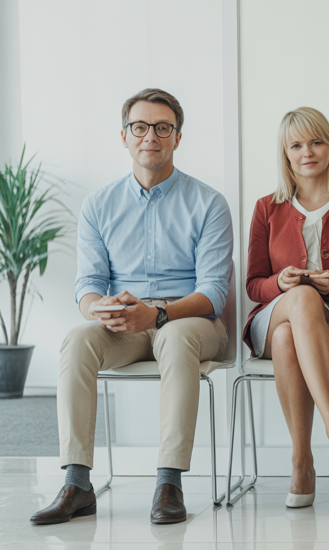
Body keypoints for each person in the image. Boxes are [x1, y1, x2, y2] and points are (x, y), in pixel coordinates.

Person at [31, 89, 234, 525]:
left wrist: (159, 314)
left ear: (178, 138)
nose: (151, 137)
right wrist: (98, 309)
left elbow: (214, 292)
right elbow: (87, 285)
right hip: (125, 325)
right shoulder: (99, 205)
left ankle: (168, 482)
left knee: (177, 337)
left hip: (192, 322)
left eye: (163, 128)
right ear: (124, 136)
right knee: (78, 338)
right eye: (140, 127)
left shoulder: (209, 203)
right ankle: (77, 482)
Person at [243, 107, 329, 509]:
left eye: (317, 141)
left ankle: (301, 461)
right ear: (285, 154)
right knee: (299, 301)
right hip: (272, 318)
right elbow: (254, 285)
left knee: (293, 333)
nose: (308, 151)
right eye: (297, 144)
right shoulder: (265, 208)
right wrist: (280, 284)